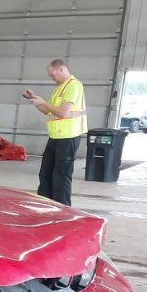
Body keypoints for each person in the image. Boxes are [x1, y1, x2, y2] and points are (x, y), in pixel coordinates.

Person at [24, 59, 87, 206]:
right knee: (45, 174)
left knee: (61, 176)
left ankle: (62, 209)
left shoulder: (73, 86)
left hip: (68, 136)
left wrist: (44, 103)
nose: (52, 78)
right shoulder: (59, 87)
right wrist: (35, 100)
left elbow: (63, 113)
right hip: (56, 136)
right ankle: (45, 205)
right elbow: (48, 111)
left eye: (53, 75)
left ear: (62, 70)